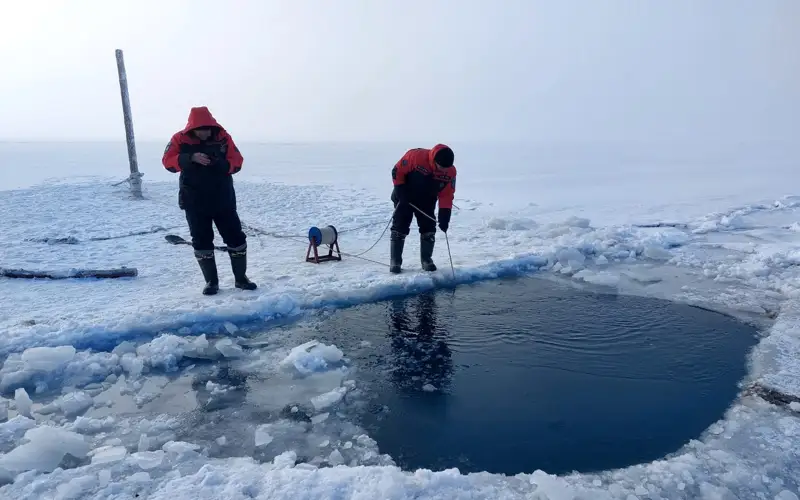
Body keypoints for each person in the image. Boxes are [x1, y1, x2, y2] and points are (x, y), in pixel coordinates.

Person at [162, 106, 257, 295]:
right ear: (192, 128)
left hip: (223, 199)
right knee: (201, 240)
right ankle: (211, 282)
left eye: (206, 129)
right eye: (200, 129)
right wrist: (190, 158)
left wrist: (219, 163)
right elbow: (167, 162)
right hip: (194, 200)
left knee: (236, 238)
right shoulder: (179, 139)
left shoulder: (223, 137)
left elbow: (237, 162)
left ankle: (241, 279)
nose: (204, 133)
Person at [389, 144, 456, 274]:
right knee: (400, 227)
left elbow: (447, 195)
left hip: (427, 199)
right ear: (435, 161)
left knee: (429, 228)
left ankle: (426, 260)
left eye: (446, 168)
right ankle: (395, 262)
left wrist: (445, 216)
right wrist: (402, 195)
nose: (443, 171)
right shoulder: (416, 157)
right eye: (441, 167)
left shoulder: (450, 172)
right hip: (405, 195)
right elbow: (397, 171)